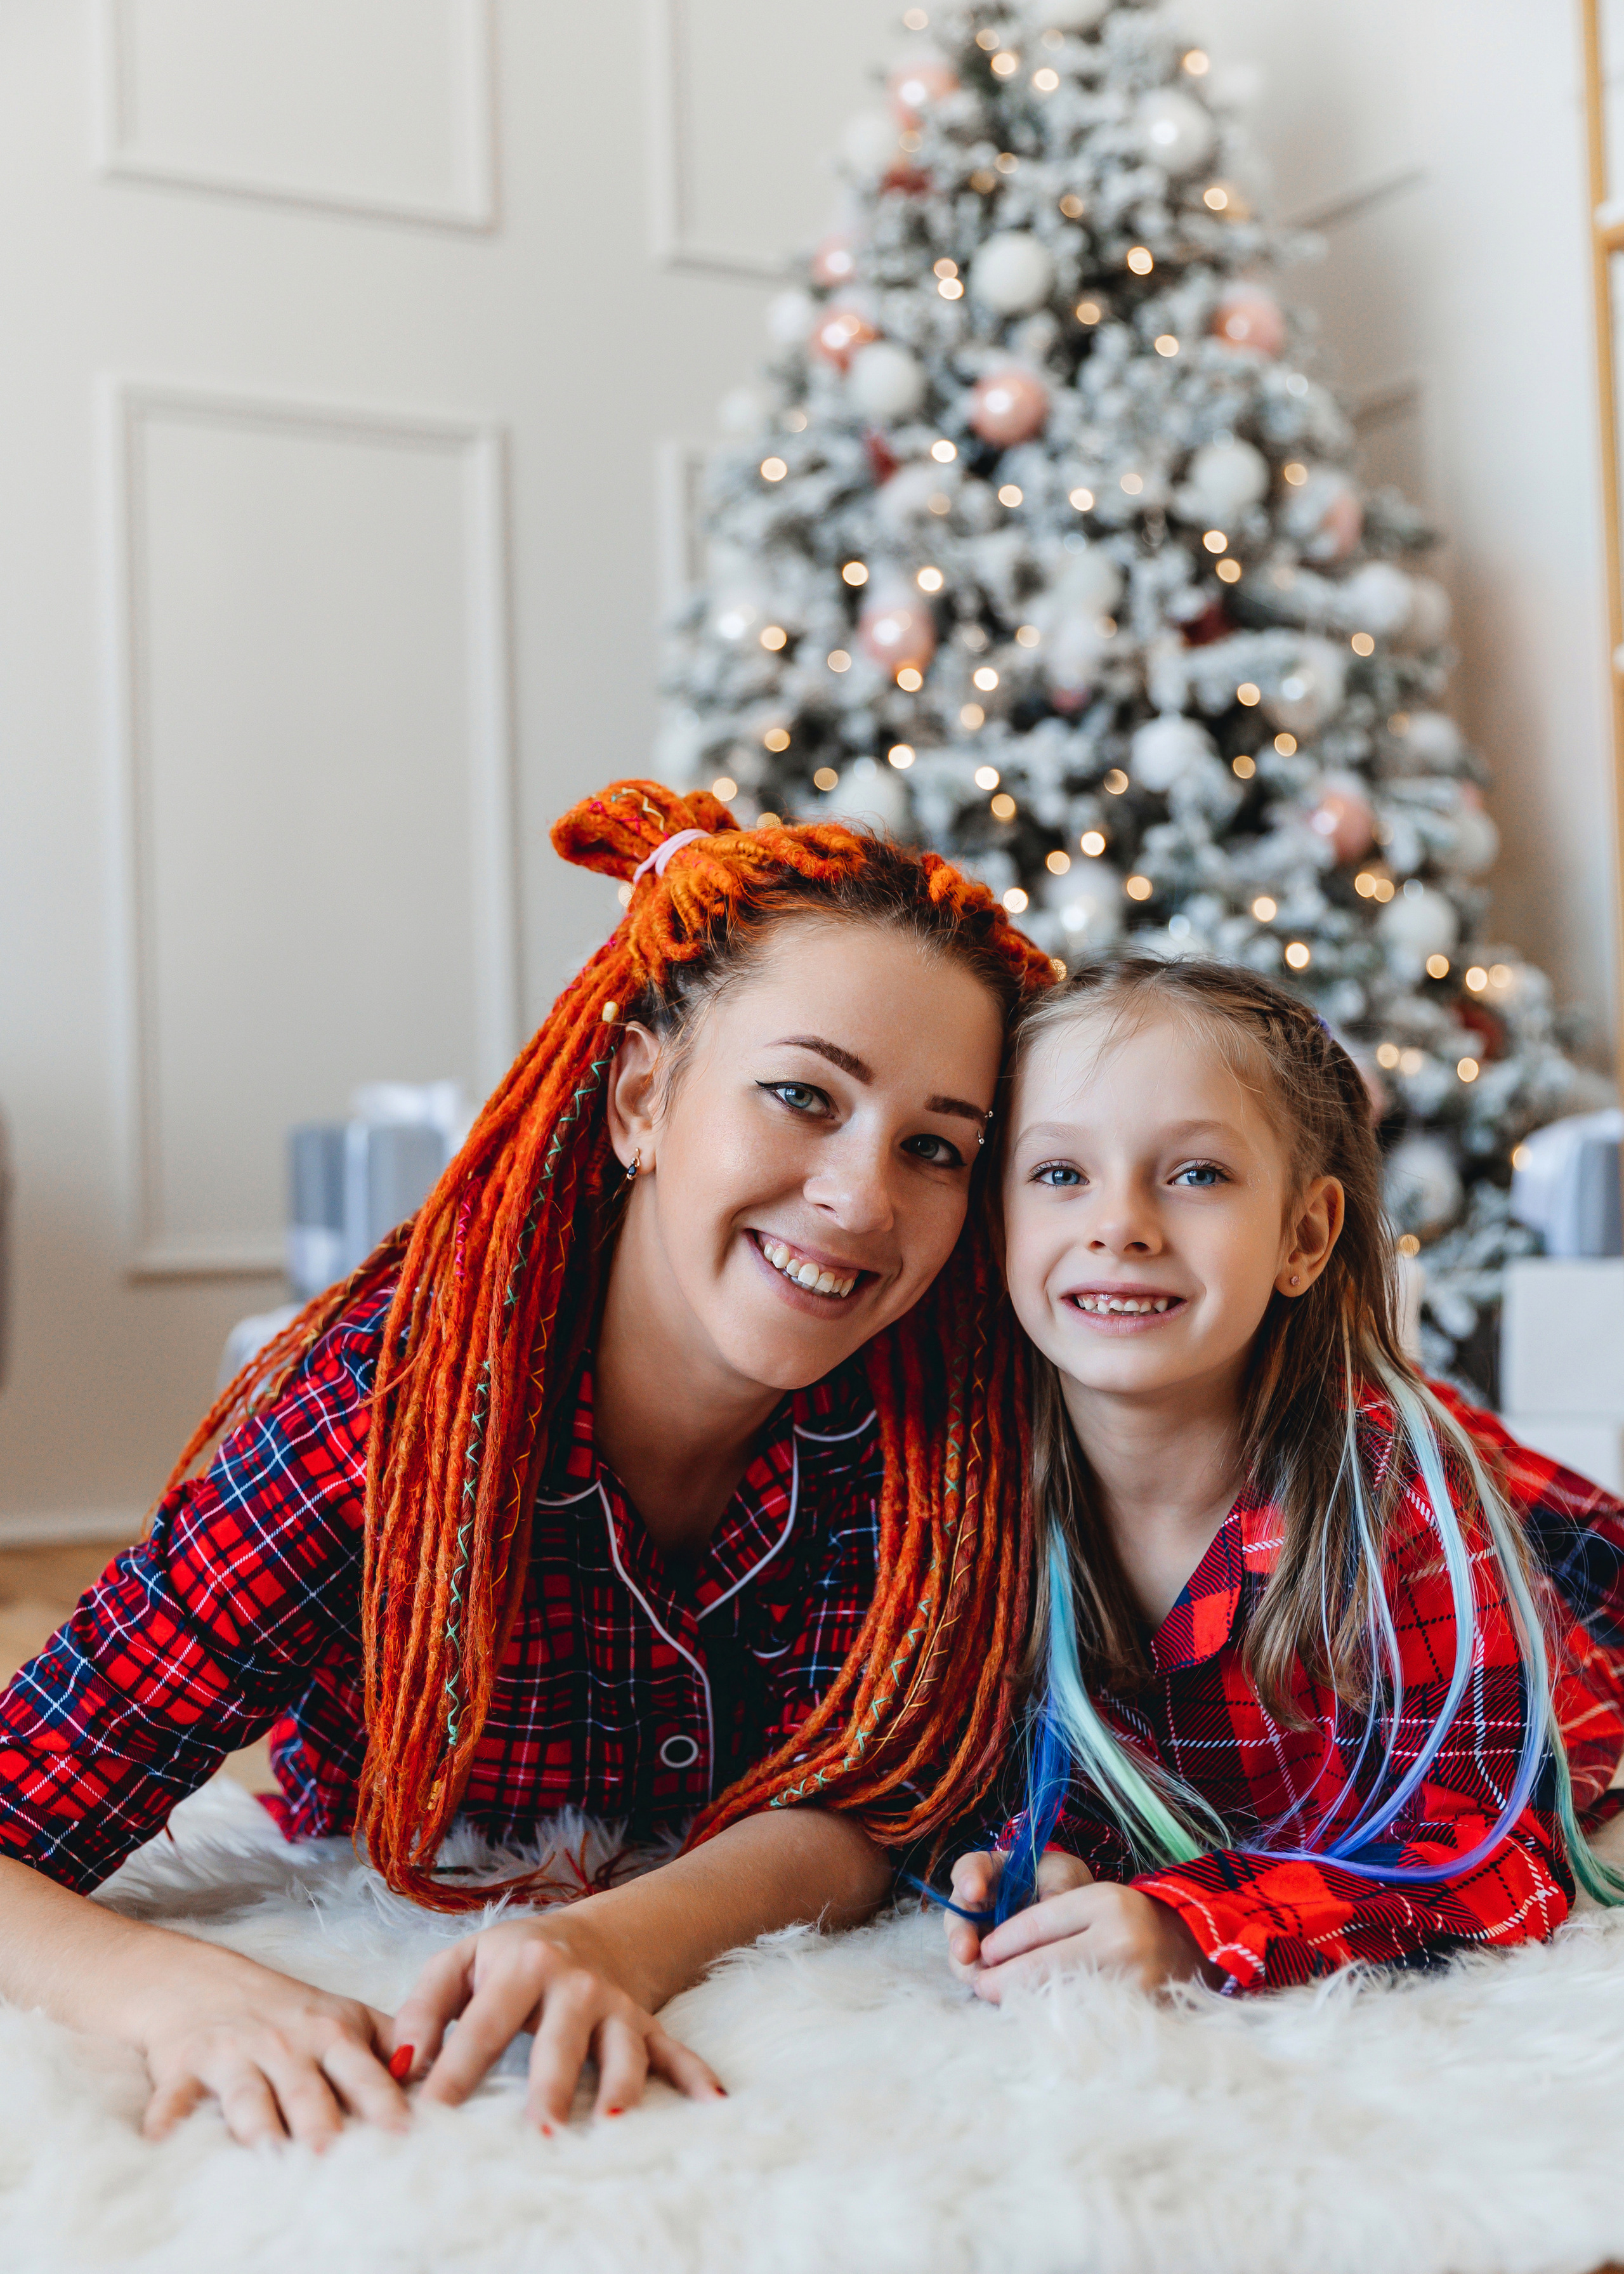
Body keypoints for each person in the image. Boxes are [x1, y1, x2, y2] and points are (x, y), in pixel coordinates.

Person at [0, 779, 1054, 2146]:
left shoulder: (923, 1440)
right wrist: (175, 1995)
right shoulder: (384, 1420)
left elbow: (861, 1799)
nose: (862, 1198)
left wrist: (610, 1944)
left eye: (934, 1148)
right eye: (802, 1095)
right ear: (638, 1097)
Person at [944, 954, 1624, 1997]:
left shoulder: (1392, 1500)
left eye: (1198, 1174)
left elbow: (1492, 1858)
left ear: (1303, 1238)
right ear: (997, 1222)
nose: (1119, 1224)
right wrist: (1050, 1853)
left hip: (1574, 1585)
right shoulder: (973, 1491)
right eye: (1059, 1174)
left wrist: (1187, 1931)